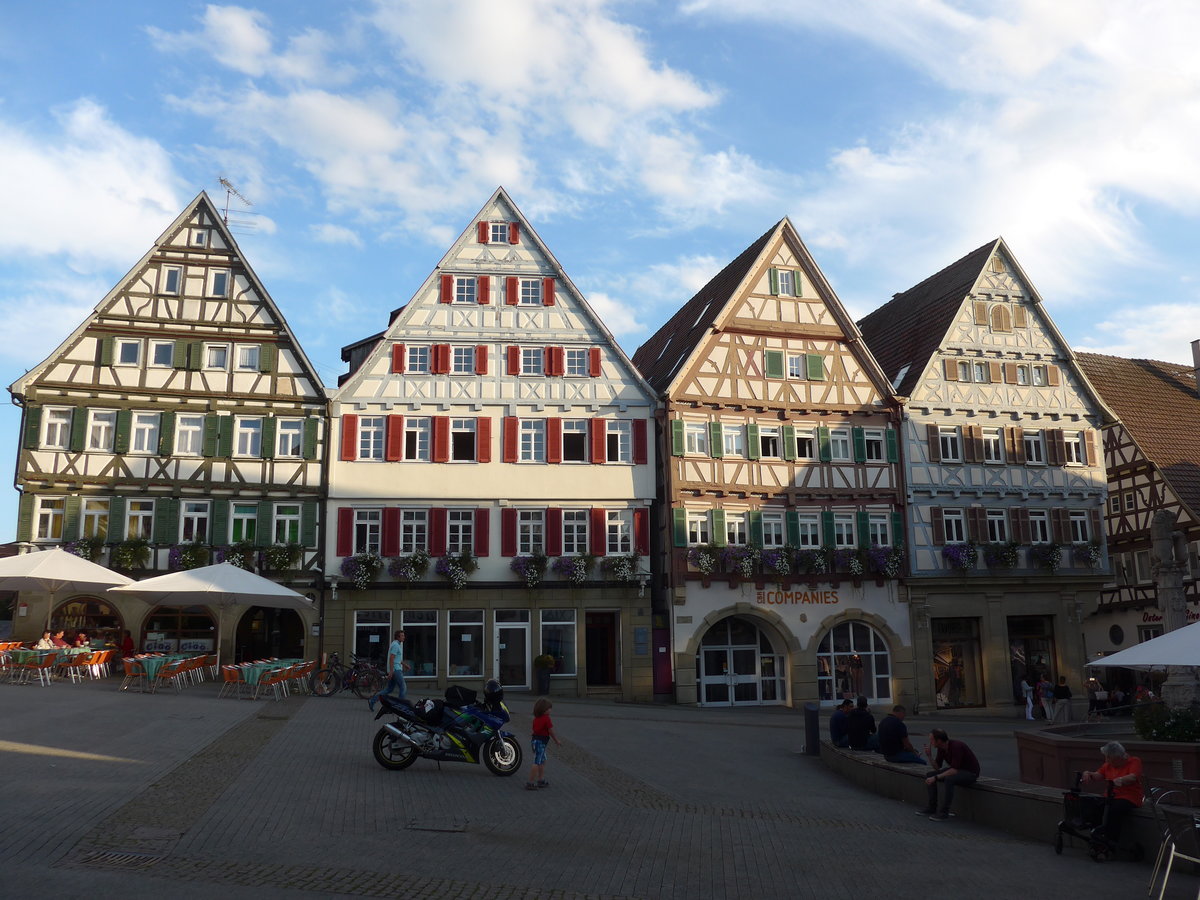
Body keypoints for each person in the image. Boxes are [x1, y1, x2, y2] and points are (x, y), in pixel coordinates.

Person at [1083, 741, 1143, 848]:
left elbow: (1133, 776)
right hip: (1111, 796)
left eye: (1108, 757)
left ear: (1118, 757)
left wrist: (1119, 780)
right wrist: (1088, 773)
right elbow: (1098, 775)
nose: (1106, 760)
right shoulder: (1108, 765)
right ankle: (1097, 836)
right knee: (1096, 807)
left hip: (1129, 796)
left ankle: (1111, 840)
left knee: (1114, 810)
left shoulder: (1134, 761)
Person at [917, 728, 981, 821]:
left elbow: (954, 770)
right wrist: (929, 756)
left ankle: (944, 812)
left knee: (949, 779)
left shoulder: (956, 746)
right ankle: (932, 807)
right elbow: (937, 767)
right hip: (957, 770)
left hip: (970, 773)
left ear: (938, 740)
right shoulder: (941, 748)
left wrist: (936, 777)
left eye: (931, 740)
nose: (930, 742)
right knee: (930, 774)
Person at [525, 697, 561, 791]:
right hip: (540, 742)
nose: (551, 710)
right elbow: (550, 731)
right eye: (549, 708)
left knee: (542, 760)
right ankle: (530, 782)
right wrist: (556, 740)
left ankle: (540, 779)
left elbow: (535, 730)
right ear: (544, 709)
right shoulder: (546, 719)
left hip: (535, 741)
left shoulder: (536, 719)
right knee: (537, 762)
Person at [368, 629, 407, 712]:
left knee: (389, 689)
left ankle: (372, 701)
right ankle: (400, 706)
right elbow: (391, 658)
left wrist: (404, 664)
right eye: (402, 636)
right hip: (396, 670)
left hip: (395, 669)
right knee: (403, 687)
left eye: (404, 635)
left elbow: (396, 658)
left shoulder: (396, 644)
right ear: (398, 637)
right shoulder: (396, 645)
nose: (404, 637)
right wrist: (391, 671)